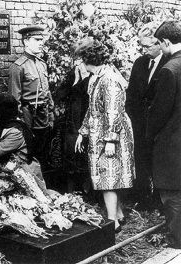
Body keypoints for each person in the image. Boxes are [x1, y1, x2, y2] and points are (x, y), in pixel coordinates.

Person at [74, 38, 136, 232]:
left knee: (108, 176)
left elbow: (113, 110)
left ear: (88, 59)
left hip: (111, 132)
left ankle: (112, 223)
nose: (80, 64)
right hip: (101, 131)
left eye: (81, 59)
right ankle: (118, 214)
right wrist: (82, 132)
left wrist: (111, 139)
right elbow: (92, 110)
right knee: (109, 175)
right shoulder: (97, 77)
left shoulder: (109, 78)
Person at [125, 22, 168, 209]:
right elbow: (132, 94)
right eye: (142, 46)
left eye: (147, 46)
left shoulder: (169, 65)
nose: (144, 50)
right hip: (140, 124)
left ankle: (159, 201)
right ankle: (142, 199)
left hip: (159, 125)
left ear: (159, 44)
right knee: (140, 161)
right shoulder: (140, 63)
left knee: (158, 163)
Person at [147, 20, 181, 249]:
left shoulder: (170, 70)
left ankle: (177, 241)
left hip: (172, 144)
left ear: (166, 42)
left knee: (172, 194)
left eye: (159, 44)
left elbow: (159, 113)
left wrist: (149, 136)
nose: (160, 48)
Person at [8, 25, 54, 169]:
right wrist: (20, 123)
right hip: (28, 118)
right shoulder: (18, 67)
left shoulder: (41, 64)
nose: (41, 43)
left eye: (42, 40)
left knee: (44, 153)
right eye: (37, 39)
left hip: (43, 117)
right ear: (26, 41)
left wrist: (51, 114)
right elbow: (14, 99)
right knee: (29, 155)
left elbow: (47, 92)